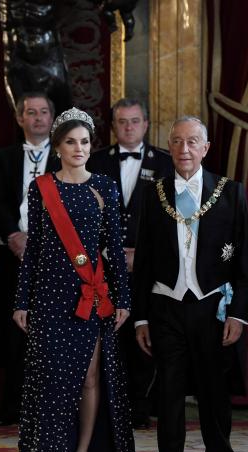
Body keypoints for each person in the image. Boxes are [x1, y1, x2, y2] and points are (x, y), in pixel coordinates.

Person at [12, 107, 135, 452]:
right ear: (59, 147)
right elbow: (33, 252)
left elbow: (114, 249)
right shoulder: (42, 187)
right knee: (51, 381)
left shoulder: (105, 186)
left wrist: (124, 300)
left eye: (84, 141)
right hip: (50, 297)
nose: (79, 148)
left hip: (91, 296)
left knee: (89, 379)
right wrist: (22, 301)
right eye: (70, 142)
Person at [133, 116, 248, 452]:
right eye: (178, 142)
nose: (185, 150)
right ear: (169, 147)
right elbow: (144, 259)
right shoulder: (153, 192)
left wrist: (238, 313)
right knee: (168, 394)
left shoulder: (230, 192)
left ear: (206, 148)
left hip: (212, 308)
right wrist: (141, 316)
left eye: (193, 142)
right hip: (166, 305)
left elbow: (245, 261)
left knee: (212, 391)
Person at [86, 97, 172, 429]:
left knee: (145, 333)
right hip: (103, 265)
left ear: (146, 124)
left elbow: (172, 219)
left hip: (149, 267)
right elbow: (85, 215)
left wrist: (142, 252)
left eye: (135, 121)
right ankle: (108, 405)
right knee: (110, 334)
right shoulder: (94, 162)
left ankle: (140, 405)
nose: (129, 127)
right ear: (113, 126)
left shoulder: (165, 164)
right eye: (122, 121)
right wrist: (112, 250)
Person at [0, 92, 60, 425]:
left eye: (44, 112)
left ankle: (49, 405)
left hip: (54, 256)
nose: (38, 118)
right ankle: (11, 406)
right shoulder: (4, 157)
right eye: (31, 112)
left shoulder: (65, 156)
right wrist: (14, 236)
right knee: (13, 330)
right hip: (12, 255)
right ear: (20, 119)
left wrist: (42, 241)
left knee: (49, 331)